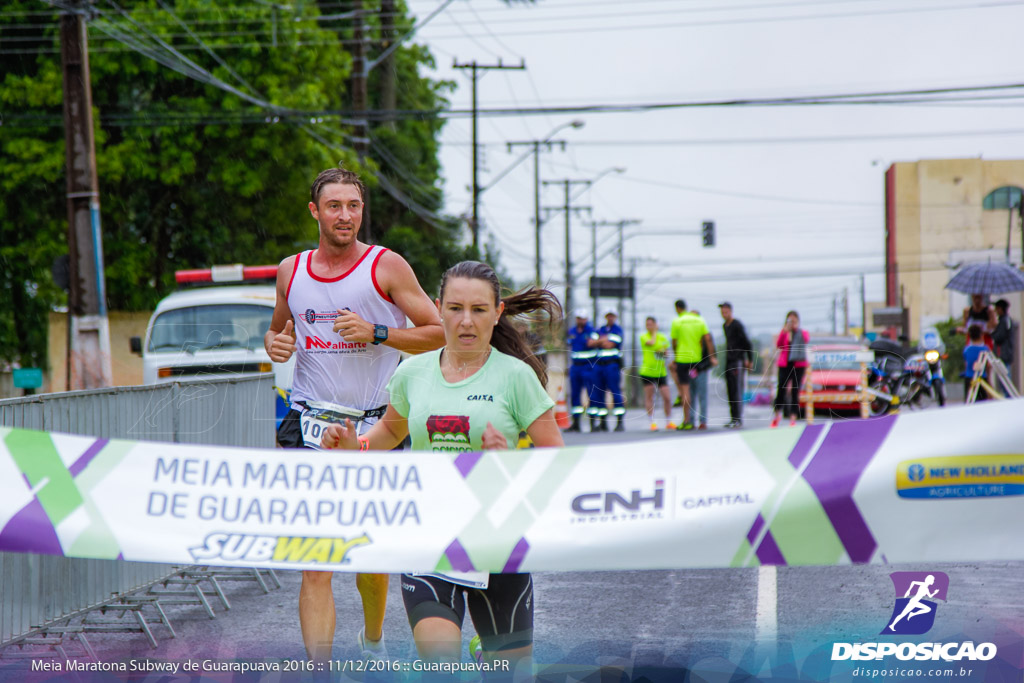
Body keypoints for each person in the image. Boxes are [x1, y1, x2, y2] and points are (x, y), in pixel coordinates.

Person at [321, 260, 564, 682]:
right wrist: (352, 445)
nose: (466, 322)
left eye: (478, 310)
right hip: (430, 538)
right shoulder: (412, 372)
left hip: (497, 540)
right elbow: (386, 436)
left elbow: (556, 459)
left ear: (498, 312)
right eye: (454, 309)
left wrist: (507, 459)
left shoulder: (516, 377)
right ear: (438, 309)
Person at [264, 166, 445, 663]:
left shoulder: (386, 267)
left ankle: (372, 641)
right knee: (314, 561)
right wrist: (275, 344)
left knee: (371, 552)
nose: (345, 216)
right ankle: (318, 671)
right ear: (315, 211)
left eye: (354, 206)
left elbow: (439, 332)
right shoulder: (290, 270)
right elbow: (278, 331)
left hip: (376, 428)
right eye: (335, 206)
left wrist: (379, 333)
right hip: (308, 425)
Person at [669, 300, 715, 430]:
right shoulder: (700, 321)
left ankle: (688, 420)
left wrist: (676, 356)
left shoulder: (677, 321)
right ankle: (694, 419)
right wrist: (712, 357)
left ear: (677, 308)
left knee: (687, 391)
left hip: (684, 359)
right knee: (696, 392)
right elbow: (708, 339)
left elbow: (674, 342)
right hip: (696, 360)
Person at [770, 311, 810, 428]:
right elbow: (779, 344)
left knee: (795, 391)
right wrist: (785, 331)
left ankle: (793, 417)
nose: (791, 323)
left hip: (798, 364)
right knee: (781, 389)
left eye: (794, 321)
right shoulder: (784, 332)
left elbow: (806, 340)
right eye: (789, 321)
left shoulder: (802, 332)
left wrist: (796, 329)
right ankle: (777, 415)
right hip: (785, 363)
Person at [719, 303, 754, 429]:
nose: (724, 314)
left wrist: (749, 359)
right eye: (722, 312)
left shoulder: (737, 325)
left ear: (730, 311)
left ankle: (738, 418)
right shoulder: (725, 326)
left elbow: (747, 342)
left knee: (736, 390)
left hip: (738, 361)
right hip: (729, 360)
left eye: (726, 312)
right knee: (729, 390)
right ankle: (733, 417)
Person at [566, 309, 599, 432]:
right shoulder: (572, 331)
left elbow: (593, 342)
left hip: (588, 367)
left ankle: (593, 422)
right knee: (575, 394)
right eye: (579, 318)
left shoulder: (591, 331)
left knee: (592, 393)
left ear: (587, 319)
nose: (581, 320)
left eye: (583, 318)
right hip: (576, 367)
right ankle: (576, 422)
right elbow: (569, 344)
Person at [639, 316, 675, 430]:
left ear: (655, 324)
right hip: (647, 371)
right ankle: (652, 422)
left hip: (660, 371)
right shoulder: (643, 337)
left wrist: (663, 353)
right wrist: (654, 332)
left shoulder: (663, 337)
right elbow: (652, 343)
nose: (648, 326)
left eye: (651, 324)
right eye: (647, 324)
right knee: (650, 397)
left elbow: (665, 353)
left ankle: (668, 421)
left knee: (667, 397)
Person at [593, 310, 626, 431]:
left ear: (615, 317)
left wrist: (601, 340)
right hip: (599, 365)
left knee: (615, 392)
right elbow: (592, 342)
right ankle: (603, 422)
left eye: (612, 316)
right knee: (599, 393)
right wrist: (603, 340)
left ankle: (620, 421)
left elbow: (611, 344)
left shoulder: (618, 329)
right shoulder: (601, 329)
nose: (610, 318)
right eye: (608, 316)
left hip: (612, 365)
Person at [687, 313, 717, 431]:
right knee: (690, 395)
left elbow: (711, 351)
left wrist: (709, 362)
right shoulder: (687, 334)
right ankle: (691, 419)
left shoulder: (706, 335)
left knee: (702, 395)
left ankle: (703, 420)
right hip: (689, 368)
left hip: (702, 369)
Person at [962, 324, 989, 401]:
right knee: (983, 402)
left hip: (969, 378)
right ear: (981, 335)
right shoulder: (985, 349)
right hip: (982, 378)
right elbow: (988, 366)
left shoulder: (967, 349)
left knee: (970, 400)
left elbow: (966, 364)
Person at [992, 299, 1015, 371]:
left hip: (1004, 353)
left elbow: (1000, 336)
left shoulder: (1004, 321)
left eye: (996, 308)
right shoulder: (1006, 320)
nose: (995, 310)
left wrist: (992, 333)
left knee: (1004, 375)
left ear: (1001, 309)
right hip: (1006, 353)